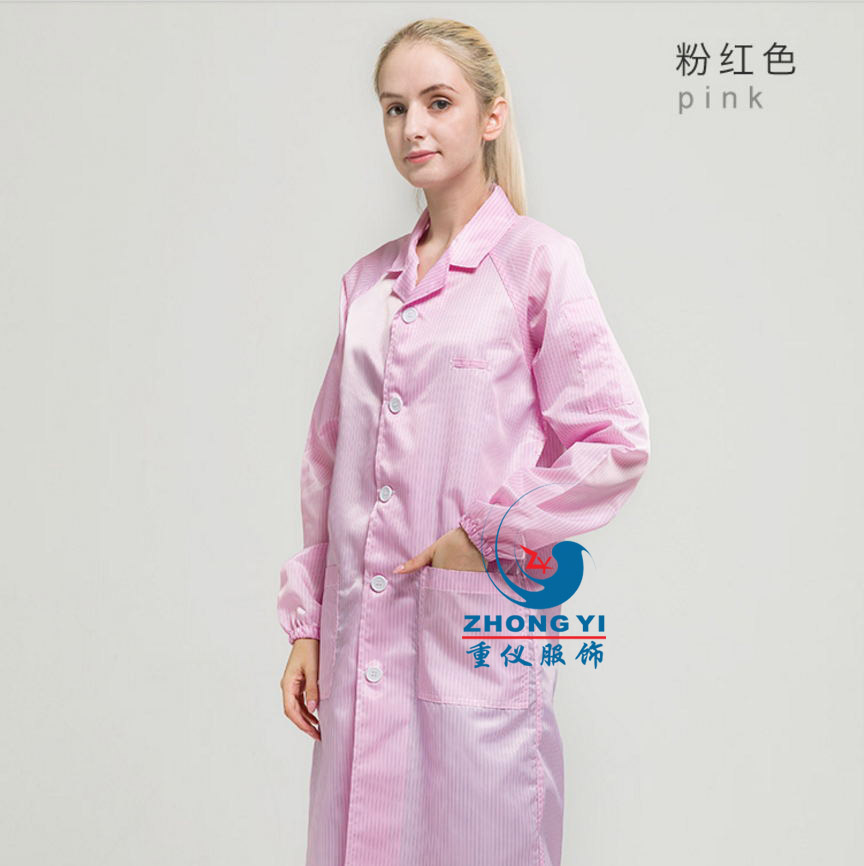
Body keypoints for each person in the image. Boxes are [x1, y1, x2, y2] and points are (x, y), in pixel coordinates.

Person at [277, 17, 651, 866]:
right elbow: (328, 468)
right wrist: (307, 626)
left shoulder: (536, 264)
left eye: (438, 102)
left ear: (491, 116)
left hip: (472, 644)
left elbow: (615, 438)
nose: (413, 127)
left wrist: (487, 535)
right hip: (359, 649)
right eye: (394, 107)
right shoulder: (367, 287)